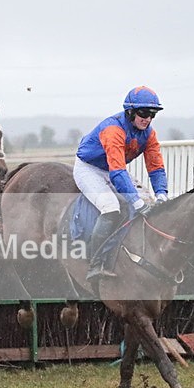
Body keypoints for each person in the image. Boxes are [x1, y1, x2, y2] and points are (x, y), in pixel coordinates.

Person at [73, 85, 168, 281]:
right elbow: (118, 172)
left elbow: (156, 167)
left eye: (152, 114)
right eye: (143, 113)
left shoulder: (149, 133)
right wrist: (136, 201)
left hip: (112, 169)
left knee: (148, 204)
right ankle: (95, 262)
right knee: (111, 207)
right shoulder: (113, 129)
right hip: (89, 169)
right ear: (130, 111)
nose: (148, 118)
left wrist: (162, 194)